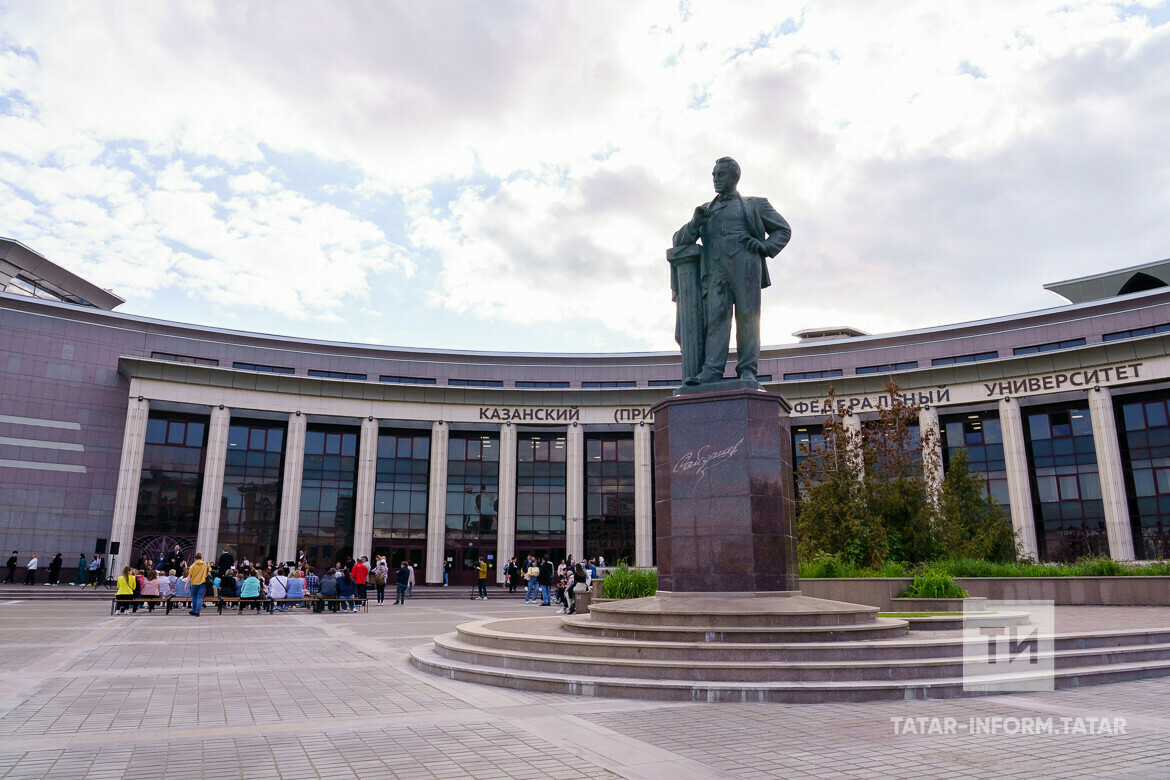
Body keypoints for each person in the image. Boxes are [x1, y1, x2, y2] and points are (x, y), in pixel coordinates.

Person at [672, 156, 791, 385]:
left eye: (721, 174)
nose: (715, 179)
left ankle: (747, 370)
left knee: (748, 318)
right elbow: (679, 240)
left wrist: (765, 247)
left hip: (746, 266)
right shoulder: (705, 210)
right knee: (716, 319)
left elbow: (783, 230)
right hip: (715, 271)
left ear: (735, 177)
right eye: (714, 175)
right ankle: (711, 371)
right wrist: (694, 223)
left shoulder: (755, 204)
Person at [186, 552, 210, 617]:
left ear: (195, 558)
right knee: (200, 598)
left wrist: (186, 584)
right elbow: (209, 572)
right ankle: (197, 612)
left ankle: (193, 610)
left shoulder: (193, 565)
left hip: (194, 583)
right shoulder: (205, 564)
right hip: (203, 582)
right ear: (201, 557)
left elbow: (190, 575)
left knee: (194, 597)